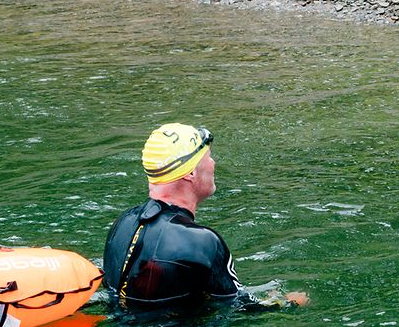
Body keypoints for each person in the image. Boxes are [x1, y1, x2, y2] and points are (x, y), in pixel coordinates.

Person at [104, 123, 308, 313]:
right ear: (191, 173)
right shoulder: (202, 242)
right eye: (208, 157)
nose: (213, 163)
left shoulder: (123, 223)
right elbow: (238, 306)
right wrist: (285, 303)